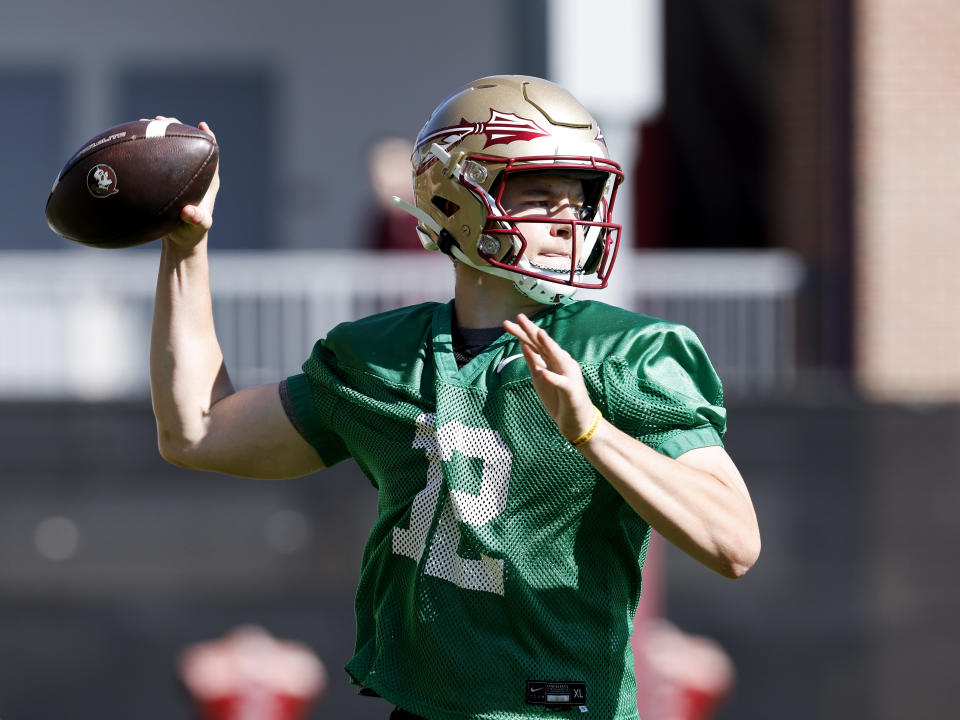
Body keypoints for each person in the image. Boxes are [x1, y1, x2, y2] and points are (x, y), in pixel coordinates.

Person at [151, 75, 760, 720]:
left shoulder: (628, 354)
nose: (569, 218)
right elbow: (197, 432)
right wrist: (186, 248)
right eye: (540, 193)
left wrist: (594, 433)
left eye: (578, 197)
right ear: (454, 200)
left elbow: (734, 543)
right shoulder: (382, 357)